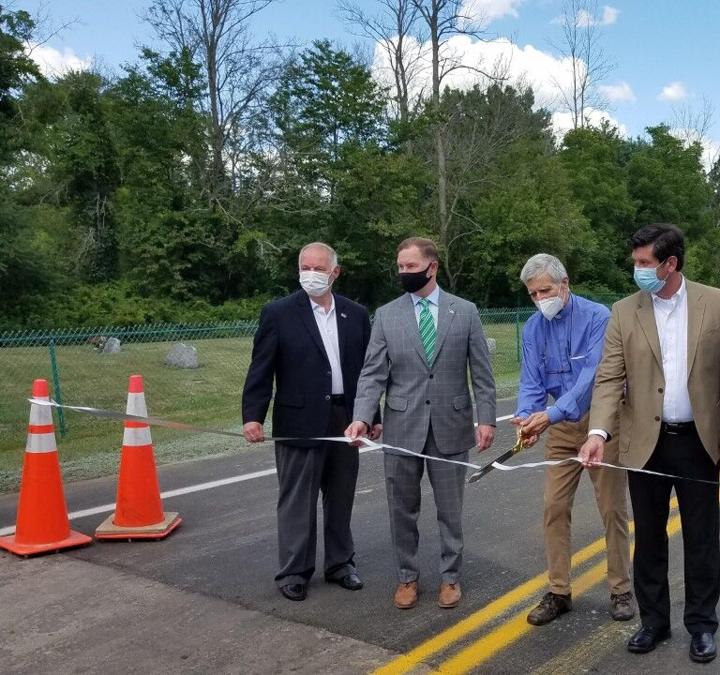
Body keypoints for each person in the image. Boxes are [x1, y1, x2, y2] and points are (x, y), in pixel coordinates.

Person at [580, 224, 720, 664]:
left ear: (670, 264)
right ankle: (653, 621)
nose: (637, 271)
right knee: (649, 538)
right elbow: (610, 377)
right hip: (645, 443)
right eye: (636, 262)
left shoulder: (716, 304)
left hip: (698, 442)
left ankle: (702, 625)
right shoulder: (624, 311)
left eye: (644, 263)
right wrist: (598, 433)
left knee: (702, 538)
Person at [346, 237, 496, 611]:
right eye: (400, 267)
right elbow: (372, 374)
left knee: (450, 510)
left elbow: (482, 372)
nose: (403, 273)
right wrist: (362, 417)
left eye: (410, 267)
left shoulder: (465, 311)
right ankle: (407, 577)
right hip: (401, 427)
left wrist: (487, 418)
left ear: (432, 267)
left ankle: (450, 578)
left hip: (451, 424)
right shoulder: (386, 314)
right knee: (402, 509)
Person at [242, 242, 380, 602]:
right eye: (305, 267)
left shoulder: (356, 314)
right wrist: (253, 416)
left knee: (340, 496)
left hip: (344, 420)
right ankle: (294, 570)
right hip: (298, 419)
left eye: (319, 268)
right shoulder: (279, 313)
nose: (311, 274)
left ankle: (340, 564)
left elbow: (367, 372)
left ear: (335, 272)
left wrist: (371, 416)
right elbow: (261, 368)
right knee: (297, 500)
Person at [513, 254, 634, 626]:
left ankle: (621, 589)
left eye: (545, 290)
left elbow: (593, 378)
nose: (539, 299)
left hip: (602, 423)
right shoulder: (534, 328)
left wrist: (548, 415)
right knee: (553, 507)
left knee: (612, 508)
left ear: (564, 284)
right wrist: (527, 419)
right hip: (562, 429)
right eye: (532, 294)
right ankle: (559, 591)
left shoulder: (599, 317)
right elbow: (532, 380)